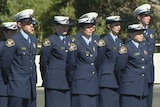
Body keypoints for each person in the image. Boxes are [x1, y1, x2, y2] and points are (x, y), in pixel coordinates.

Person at [1, 9, 38, 107]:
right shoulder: (13, 41)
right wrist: (13, 78)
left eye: (32, 23)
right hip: (17, 86)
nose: (32, 26)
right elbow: (6, 64)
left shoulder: (33, 41)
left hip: (30, 87)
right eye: (28, 23)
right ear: (20, 24)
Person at [67, 12, 100, 107]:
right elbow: (71, 65)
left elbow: (98, 61)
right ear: (81, 28)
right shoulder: (75, 42)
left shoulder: (96, 40)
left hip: (93, 84)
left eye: (92, 27)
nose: (91, 29)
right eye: (88, 27)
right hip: (81, 84)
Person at [40, 16, 73, 107]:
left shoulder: (71, 41)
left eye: (67, 26)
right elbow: (44, 62)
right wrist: (47, 77)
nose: (65, 28)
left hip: (67, 81)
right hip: (54, 81)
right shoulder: (50, 41)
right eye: (62, 26)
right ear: (56, 26)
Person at [115, 24, 150, 107]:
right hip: (130, 88)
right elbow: (119, 68)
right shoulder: (126, 48)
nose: (141, 35)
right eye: (138, 33)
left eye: (142, 33)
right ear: (131, 34)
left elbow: (146, 64)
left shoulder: (144, 48)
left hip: (142, 88)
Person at [95, 16, 124, 107]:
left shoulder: (119, 41)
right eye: (116, 25)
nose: (118, 27)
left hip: (117, 79)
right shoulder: (104, 41)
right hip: (107, 79)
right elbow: (98, 60)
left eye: (119, 25)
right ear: (109, 26)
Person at [133, 4, 156, 107]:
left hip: (149, 71)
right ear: (139, 17)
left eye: (149, 16)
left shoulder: (152, 33)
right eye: (145, 16)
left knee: (149, 100)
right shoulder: (134, 32)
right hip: (139, 72)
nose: (148, 18)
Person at [0, 22, 17, 107]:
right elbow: (5, 66)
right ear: (5, 33)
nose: (14, 34)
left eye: (15, 31)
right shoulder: (2, 46)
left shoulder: (16, 46)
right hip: (4, 85)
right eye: (11, 32)